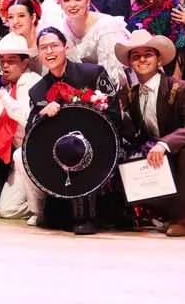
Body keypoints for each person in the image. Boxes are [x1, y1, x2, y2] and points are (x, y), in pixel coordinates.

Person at [26, 27, 120, 235]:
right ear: (39, 54)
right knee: (53, 220)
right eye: (44, 48)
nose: (49, 52)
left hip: (100, 143)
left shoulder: (92, 73)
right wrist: (42, 115)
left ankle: (91, 215)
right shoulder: (37, 90)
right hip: (61, 155)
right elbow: (29, 129)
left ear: (66, 47)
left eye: (54, 46)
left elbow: (114, 112)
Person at [114, 30, 185, 237]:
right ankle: (156, 212)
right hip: (151, 154)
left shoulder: (179, 88)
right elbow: (135, 132)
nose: (142, 59)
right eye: (136, 56)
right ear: (130, 63)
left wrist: (164, 144)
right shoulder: (131, 94)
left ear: (159, 59)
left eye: (148, 54)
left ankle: (183, 218)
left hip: (177, 151)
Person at [0, 34, 42, 221]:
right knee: (8, 210)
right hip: (19, 161)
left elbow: (27, 117)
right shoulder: (8, 89)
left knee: (20, 156)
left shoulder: (32, 82)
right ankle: (47, 206)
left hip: (37, 154)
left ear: (25, 62)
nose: (5, 66)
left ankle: (42, 211)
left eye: (11, 61)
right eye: (2, 61)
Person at [56, 0, 129, 90]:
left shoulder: (106, 26)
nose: (72, 5)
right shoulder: (61, 27)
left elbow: (113, 75)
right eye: (66, 0)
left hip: (109, 91)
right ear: (60, 3)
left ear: (87, 0)